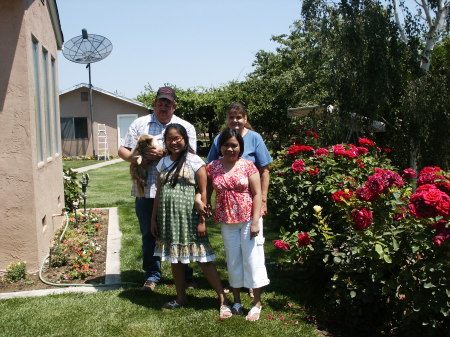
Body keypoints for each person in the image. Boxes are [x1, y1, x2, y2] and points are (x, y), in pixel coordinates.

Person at [150, 124, 232, 319]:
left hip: (190, 217)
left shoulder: (195, 161)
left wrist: (202, 220)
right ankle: (181, 297)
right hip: (168, 218)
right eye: (170, 139)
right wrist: (154, 219)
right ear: (166, 142)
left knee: (204, 259)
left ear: (185, 139)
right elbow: (159, 193)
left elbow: (204, 192)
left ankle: (223, 299)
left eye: (178, 137)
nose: (174, 141)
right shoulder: (163, 163)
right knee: (175, 258)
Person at [118, 87, 196, 290]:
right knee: (148, 234)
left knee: (180, 232)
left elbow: (192, 156)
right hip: (146, 188)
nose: (163, 107)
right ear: (155, 104)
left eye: (168, 104)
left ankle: (186, 275)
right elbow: (123, 150)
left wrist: (167, 153)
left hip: (175, 191)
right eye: (160, 103)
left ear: (174, 106)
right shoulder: (139, 123)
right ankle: (152, 274)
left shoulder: (185, 126)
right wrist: (139, 158)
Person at [206, 102, 272, 299]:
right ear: (227, 119)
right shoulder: (220, 138)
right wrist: (204, 197)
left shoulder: (255, 138)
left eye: (239, 117)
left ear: (245, 118)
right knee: (233, 253)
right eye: (232, 117)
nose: (235, 121)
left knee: (252, 250)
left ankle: (253, 286)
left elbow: (264, 170)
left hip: (250, 200)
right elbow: (209, 169)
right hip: (228, 211)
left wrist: (264, 200)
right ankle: (238, 285)